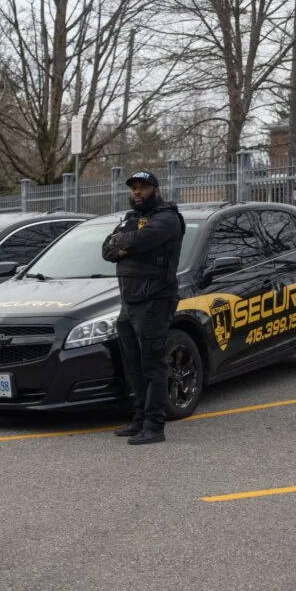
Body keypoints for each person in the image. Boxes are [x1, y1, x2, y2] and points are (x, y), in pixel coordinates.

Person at [101, 171, 185, 445]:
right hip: (130, 301)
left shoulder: (168, 218)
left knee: (152, 364)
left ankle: (154, 425)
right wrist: (124, 243)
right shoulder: (131, 218)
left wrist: (126, 243)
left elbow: (138, 241)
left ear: (156, 190)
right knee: (133, 364)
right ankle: (139, 418)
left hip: (155, 300)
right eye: (134, 188)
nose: (137, 192)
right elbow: (107, 250)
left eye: (143, 188)